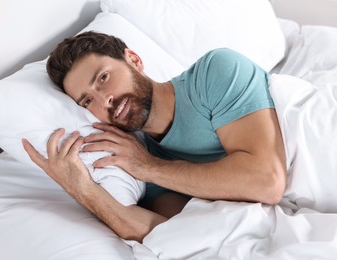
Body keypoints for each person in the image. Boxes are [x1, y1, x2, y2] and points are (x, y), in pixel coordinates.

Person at [22, 31, 287, 242]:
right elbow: (173, 234)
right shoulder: (138, 161)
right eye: (88, 100)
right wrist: (80, 187)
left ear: (134, 60)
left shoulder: (214, 72)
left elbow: (267, 182)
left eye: (103, 78)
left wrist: (149, 167)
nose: (105, 100)